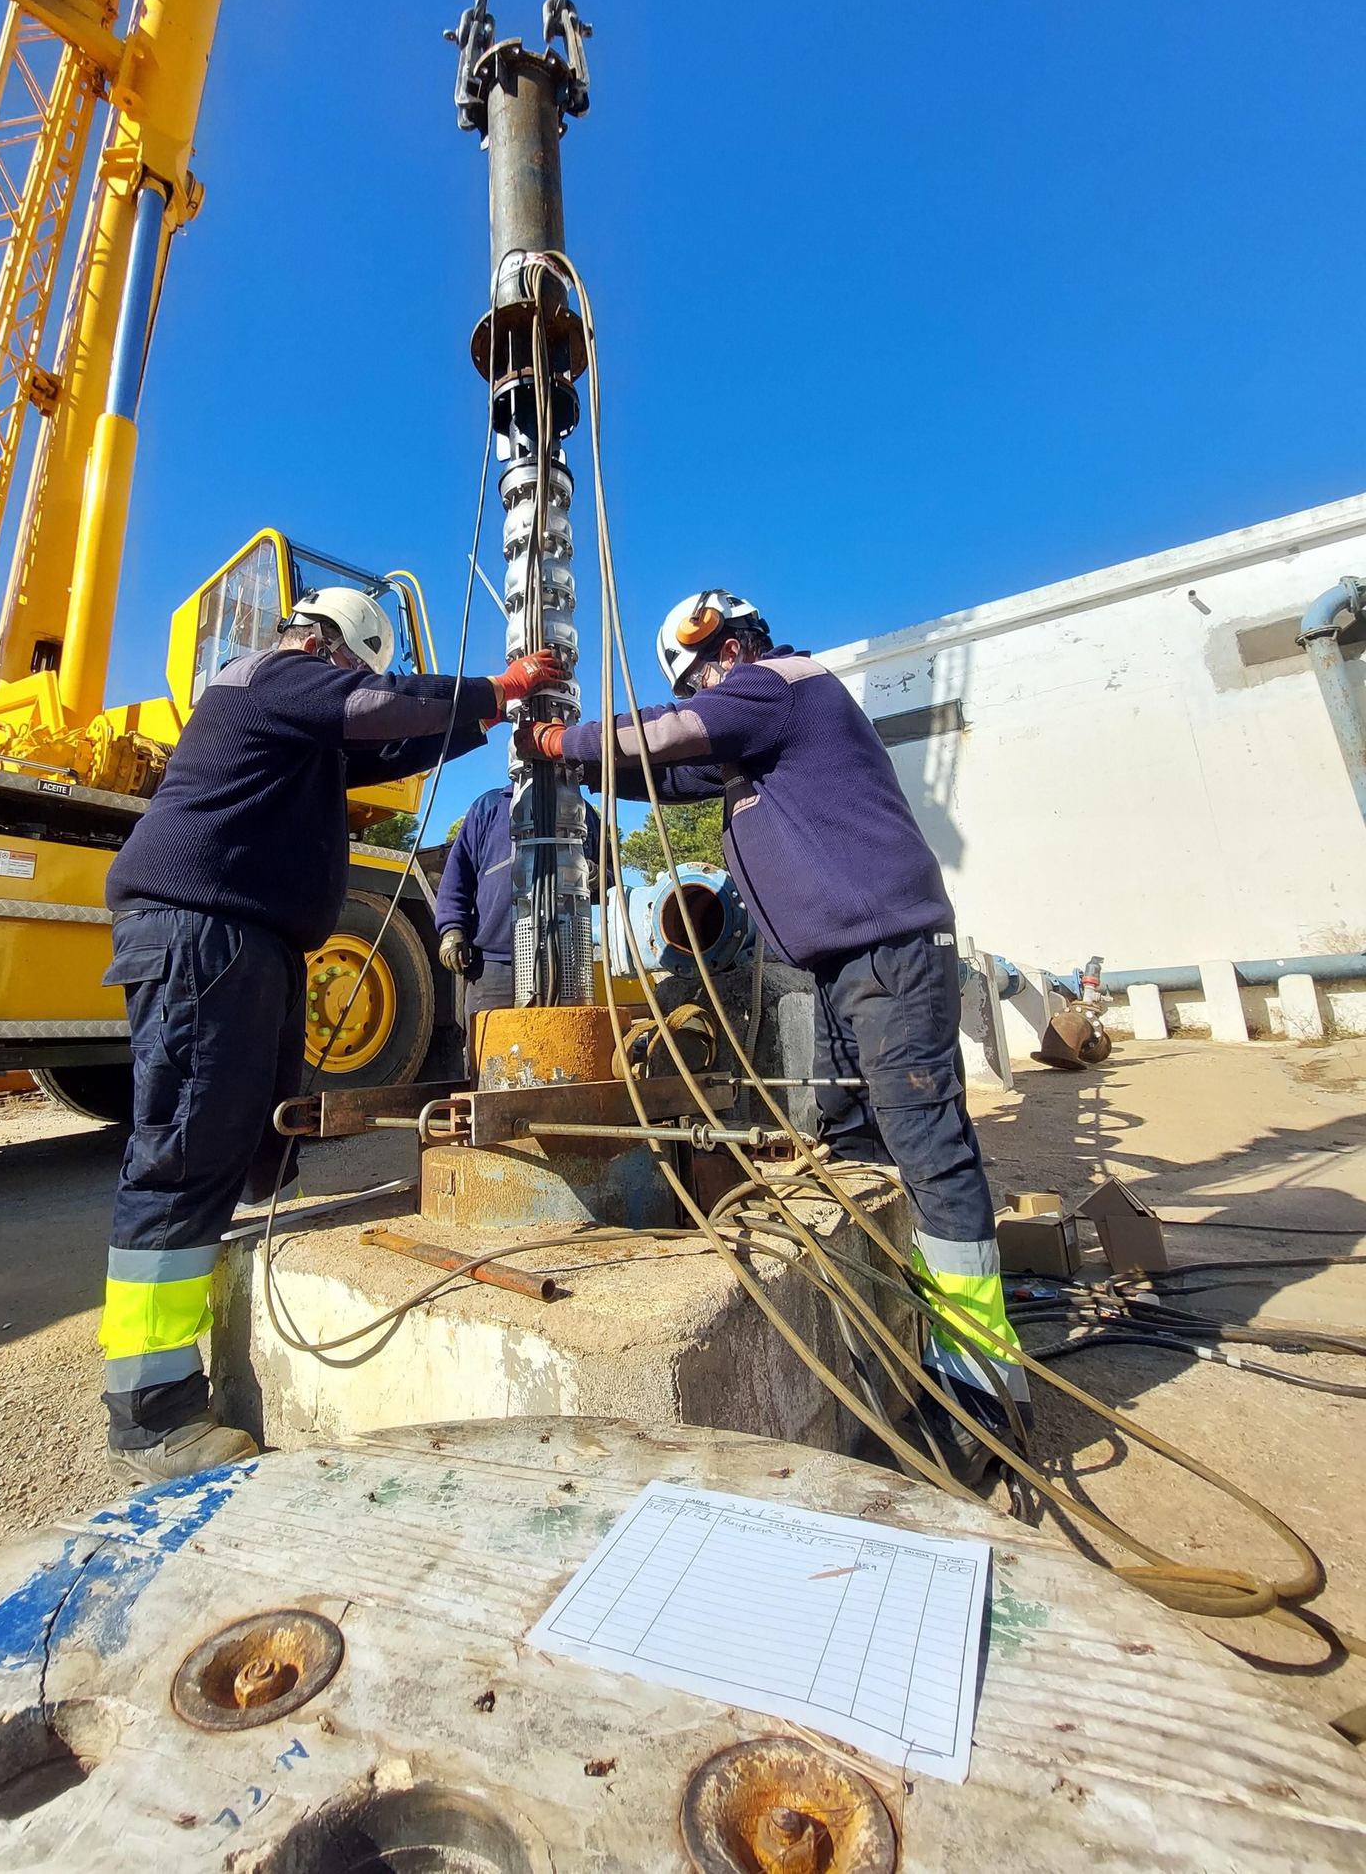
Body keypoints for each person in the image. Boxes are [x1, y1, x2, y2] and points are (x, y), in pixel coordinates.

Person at [518, 587, 1024, 1479]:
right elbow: (666, 770)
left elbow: (669, 737)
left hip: (889, 949)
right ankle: (893, 1318)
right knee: (846, 1137)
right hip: (834, 966)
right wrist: (573, 762)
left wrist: (563, 739)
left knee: (928, 1147)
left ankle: (982, 1382)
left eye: (708, 667)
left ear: (739, 645)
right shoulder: (755, 743)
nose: (708, 682)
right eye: (698, 674)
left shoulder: (782, 682)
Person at [98, 586, 564, 1485]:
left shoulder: (297, 728)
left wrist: (485, 713)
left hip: (245, 938)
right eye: (357, 666)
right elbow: (374, 708)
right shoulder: (272, 674)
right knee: (187, 1152)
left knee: (253, 1138)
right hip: (204, 931)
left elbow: (391, 736)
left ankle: (208, 1309)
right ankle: (152, 1415)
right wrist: (497, 684)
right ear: (336, 648)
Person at [433, 785, 601, 1074]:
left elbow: (608, 873)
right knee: (490, 1065)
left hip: (564, 967)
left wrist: (596, 875)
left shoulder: (582, 811)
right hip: (495, 965)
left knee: (561, 1062)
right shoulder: (490, 807)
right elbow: (458, 873)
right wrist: (451, 929)